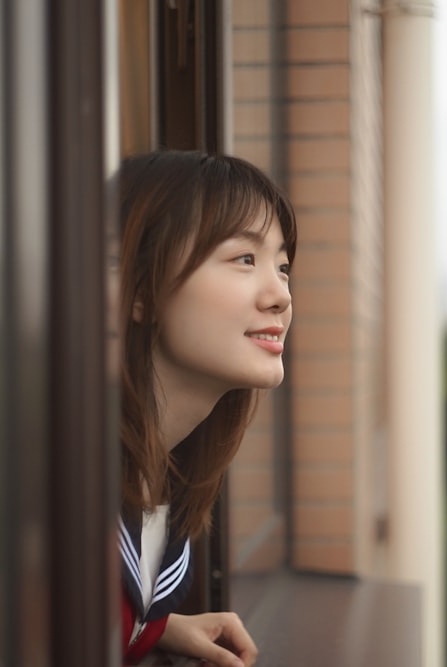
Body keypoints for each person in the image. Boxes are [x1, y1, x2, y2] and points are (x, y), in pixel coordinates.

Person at [112, 150, 296, 666]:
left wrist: (149, 629)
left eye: (283, 267)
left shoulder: (157, 474)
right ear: (141, 289)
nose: (281, 294)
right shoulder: (68, 493)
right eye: (245, 259)